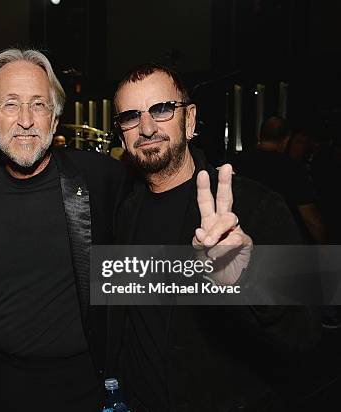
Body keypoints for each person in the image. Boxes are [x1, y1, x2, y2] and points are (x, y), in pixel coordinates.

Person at [107, 63, 320, 411]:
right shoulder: (122, 210)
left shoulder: (253, 206)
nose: (146, 127)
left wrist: (247, 284)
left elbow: (306, 335)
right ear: (121, 135)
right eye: (131, 116)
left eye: (161, 109)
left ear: (189, 120)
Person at [0, 49, 129, 412]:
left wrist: (225, 262)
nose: (25, 120)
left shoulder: (102, 180)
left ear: (54, 119)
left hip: (86, 388)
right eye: (10, 105)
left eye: (38, 104)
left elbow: (159, 233)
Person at [233, 116, 326, 243]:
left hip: (243, 240)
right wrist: (325, 246)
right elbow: (310, 218)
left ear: (259, 136)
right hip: (281, 244)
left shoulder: (238, 162)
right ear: (287, 139)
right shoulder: (292, 168)